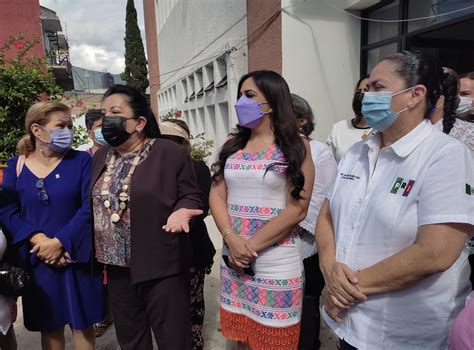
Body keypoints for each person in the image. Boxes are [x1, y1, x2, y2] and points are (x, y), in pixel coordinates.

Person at [316, 51, 474, 349]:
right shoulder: (356, 153)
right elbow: (326, 214)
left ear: (415, 95)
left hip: (405, 334)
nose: (366, 95)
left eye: (377, 87)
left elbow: (436, 252)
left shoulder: (446, 155)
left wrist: (342, 290)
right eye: (366, 89)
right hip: (349, 325)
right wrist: (328, 268)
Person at [92, 84, 203, 350]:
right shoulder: (102, 157)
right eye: (104, 113)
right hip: (116, 267)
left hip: (160, 264)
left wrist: (182, 211)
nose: (107, 120)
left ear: (140, 122)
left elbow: (191, 195)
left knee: (173, 339)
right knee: (131, 340)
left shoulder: (169, 154)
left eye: (115, 112)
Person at [210, 70, 314, 350]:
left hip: (275, 265)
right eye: (240, 95)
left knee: (273, 343)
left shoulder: (295, 146)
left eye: (250, 95)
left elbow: (298, 208)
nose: (241, 102)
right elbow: (217, 194)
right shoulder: (233, 145)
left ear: (273, 101)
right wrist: (232, 240)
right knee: (241, 341)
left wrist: (248, 248)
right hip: (234, 261)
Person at [0, 101, 104, 350]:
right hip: (39, 260)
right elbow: (7, 209)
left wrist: (59, 242)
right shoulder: (17, 165)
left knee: (82, 325)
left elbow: (89, 205)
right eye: (61, 125)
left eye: (69, 125)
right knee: (50, 327)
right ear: (37, 130)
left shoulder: (80, 161)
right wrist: (39, 241)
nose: (67, 130)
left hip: (76, 256)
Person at [159, 119, 216, 350]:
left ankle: (194, 342)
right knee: (167, 306)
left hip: (191, 249)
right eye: (162, 141)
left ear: (184, 144)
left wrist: (178, 217)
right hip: (159, 251)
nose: (166, 147)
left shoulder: (197, 167)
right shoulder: (146, 169)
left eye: (173, 141)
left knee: (191, 303)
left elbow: (201, 207)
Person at [291, 94, 337, 350]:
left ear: (301, 121)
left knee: (305, 305)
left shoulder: (319, 152)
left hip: (306, 242)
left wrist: (291, 223)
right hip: (270, 243)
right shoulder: (267, 148)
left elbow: (321, 199)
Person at [327, 75, 371, 162]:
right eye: (359, 91)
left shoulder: (382, 131)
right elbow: (328, 163)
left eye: (366, 91)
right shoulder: (339, 128)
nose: (361, 94)